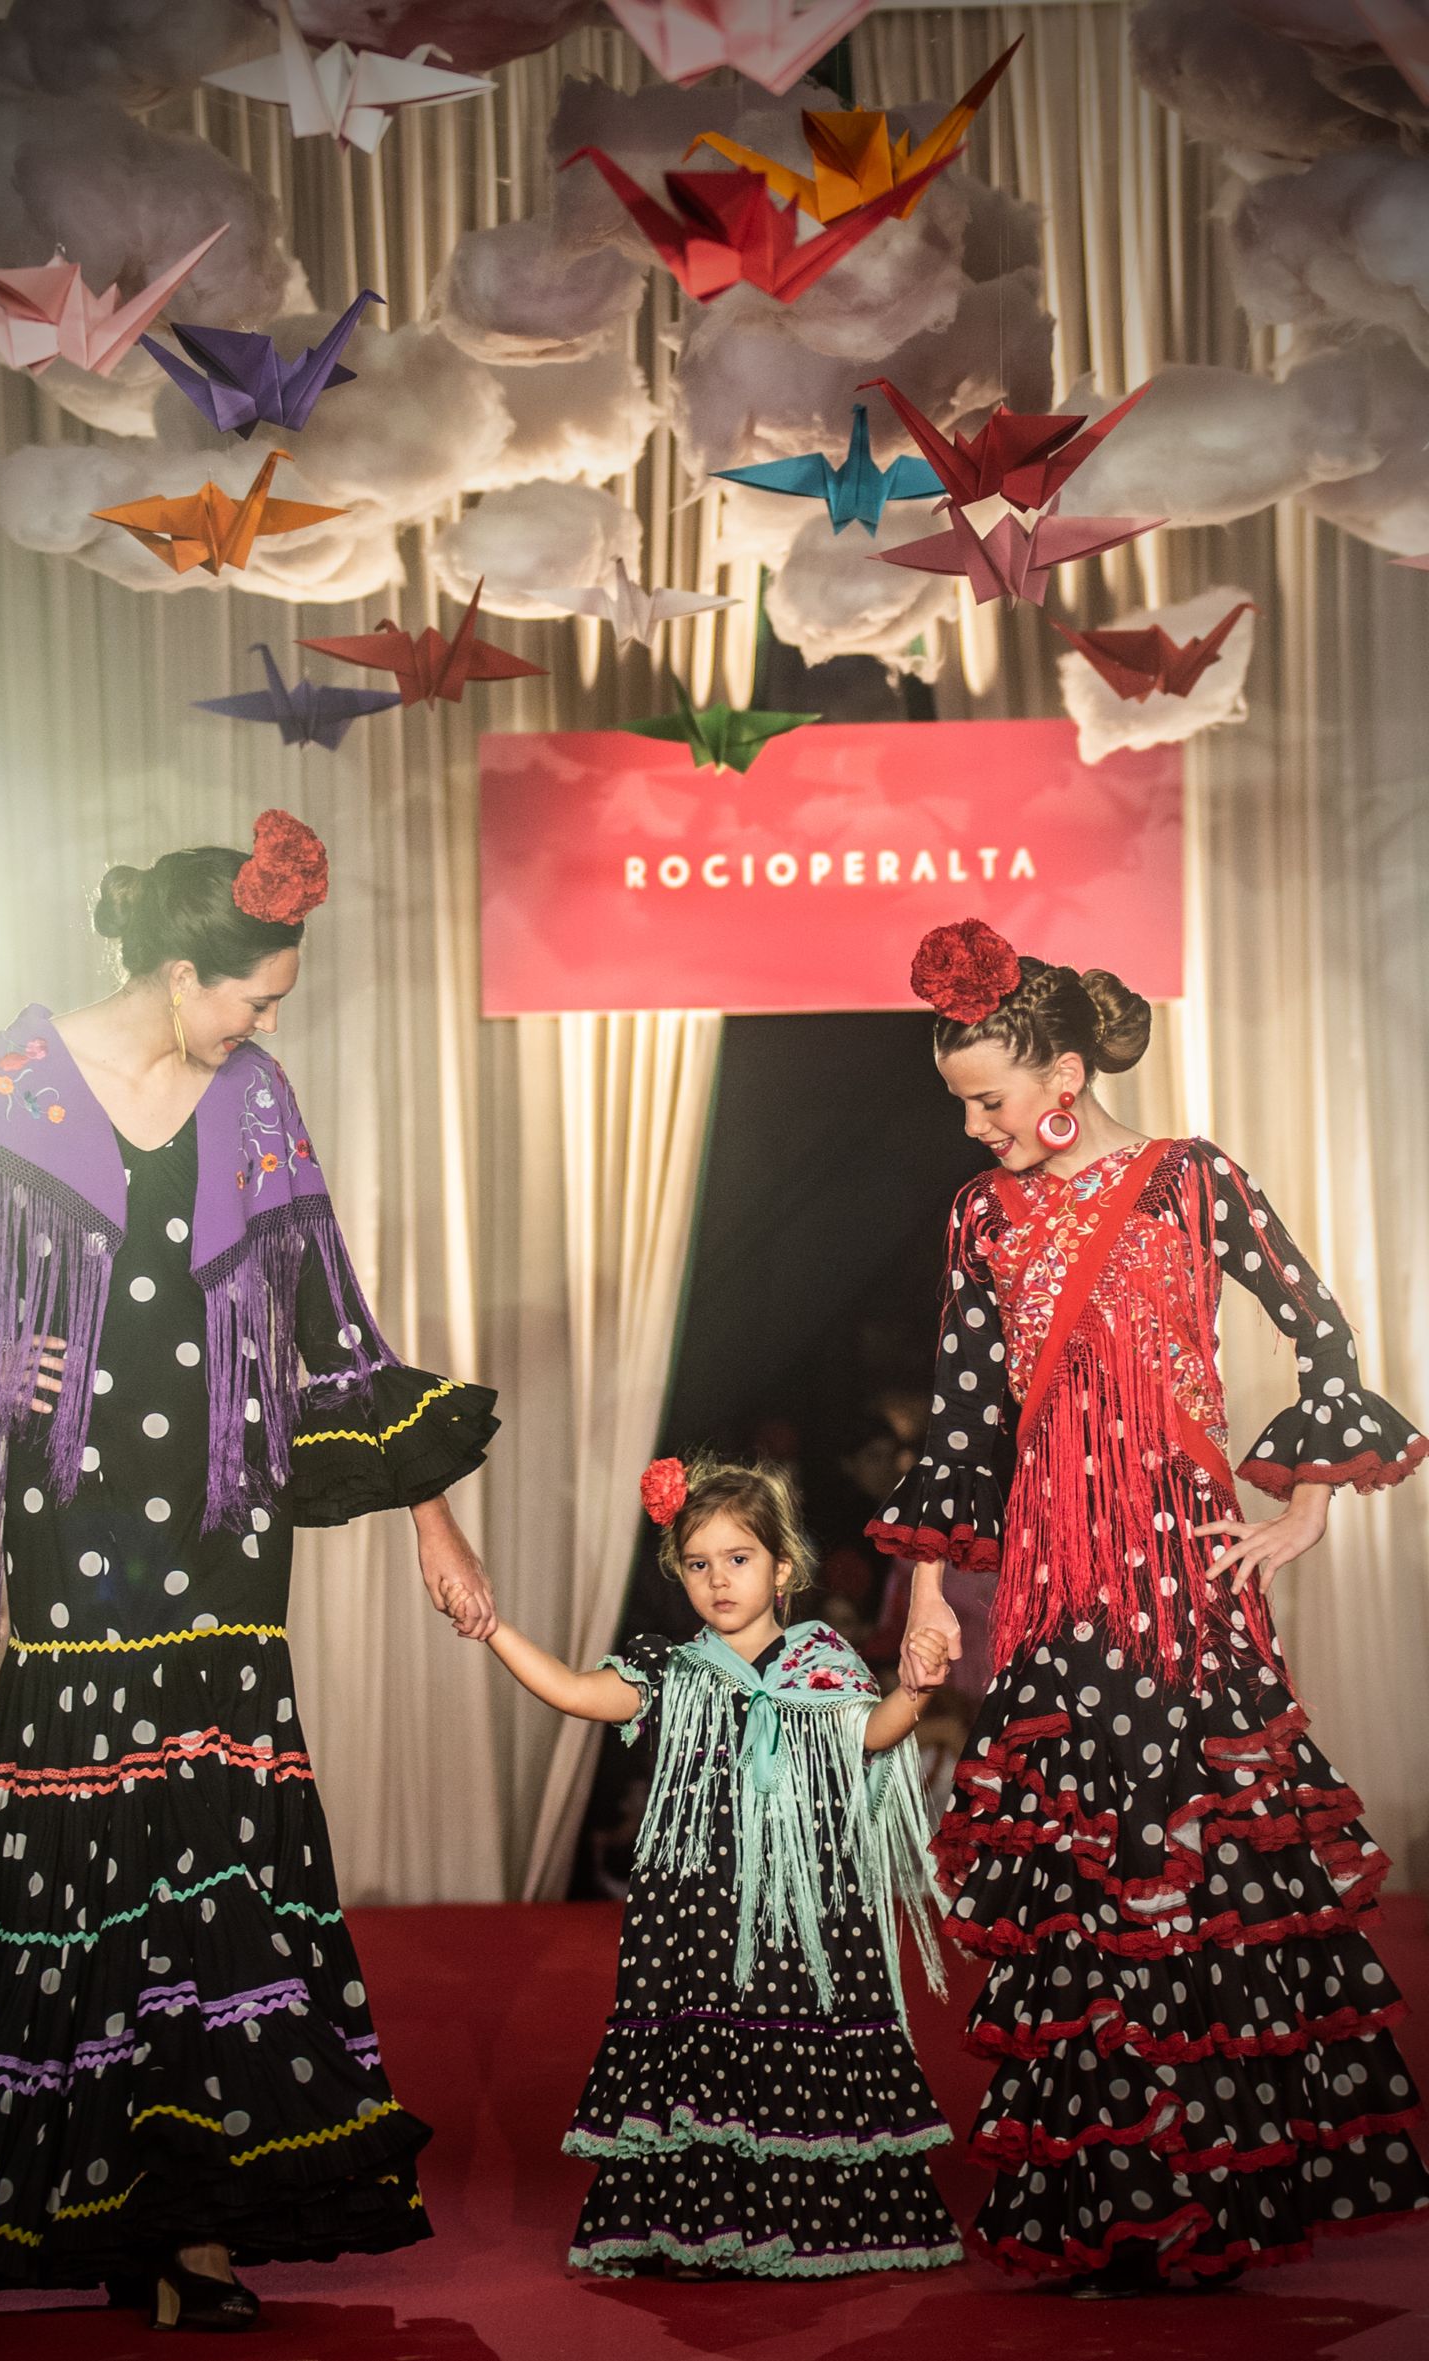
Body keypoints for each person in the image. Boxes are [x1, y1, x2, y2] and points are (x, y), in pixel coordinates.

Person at [0, 810, 500, 2327]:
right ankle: (99, 2197)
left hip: (222, 1519)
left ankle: (195, 2226)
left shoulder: (251, 1095)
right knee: (87, 1843)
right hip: (77, 1514)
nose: (270, 1024)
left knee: (214, 1843)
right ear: (183, 966)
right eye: (254, 996)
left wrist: (428, 1513)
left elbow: (338, 1334)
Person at [874, 917, 1429, 2293]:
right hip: (1056, 1581)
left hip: (1182, 1571)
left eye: (990, 1098)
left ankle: (1216, 2193)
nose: (978, 1126)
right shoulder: (981, 1215)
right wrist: (932, 1588)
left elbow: (1321, 1329)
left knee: (1199, 1863)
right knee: (1083, 1870)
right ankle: (1101, 2192)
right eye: (961, 1105)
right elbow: (961, 1420)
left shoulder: (1190, 1180)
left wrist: (1301, 1501)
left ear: (1062, 1072)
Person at [464, 1452, 962, 2280]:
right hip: (694, 1916)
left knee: (795, 2050)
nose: (718, 1580)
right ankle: (701, 2228)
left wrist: (917, 1689)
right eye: (698, 1564)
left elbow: (871, 1736)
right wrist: (494, 1629)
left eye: (738, 1559)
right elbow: (574, 1691)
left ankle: (808, 2224)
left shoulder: (823, 1662)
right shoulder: (673, 1670)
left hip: (800, 1914)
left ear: (782, 1567)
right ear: (679, 1574)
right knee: (704, 2064)